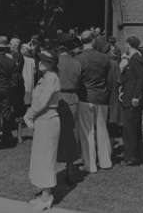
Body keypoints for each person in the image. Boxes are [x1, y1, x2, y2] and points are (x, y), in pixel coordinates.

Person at [24, 50, 61, 211]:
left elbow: (42, 102)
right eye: (39, 60)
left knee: (46, 158)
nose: (39, 63)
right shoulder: (45, 78)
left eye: (43, 61)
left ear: (51, 63)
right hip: (43, 120)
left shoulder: (51, 78)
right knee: (40, 157)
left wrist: (29, 115)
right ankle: (43, 192)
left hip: (48, 118)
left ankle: (47, 197)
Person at [75, 30, 112, 173]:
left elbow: (77, 80)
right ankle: (105, 161)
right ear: (93, 40)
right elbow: (109, 79)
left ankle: (90, 164)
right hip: (102, 96)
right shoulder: (104, 58)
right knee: (102, 130)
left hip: (85, 97)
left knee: (87, 132)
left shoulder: (78, 58)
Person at [56, 37, 81, 184]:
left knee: (56, 132)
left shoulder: (55, 62)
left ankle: (56, 163)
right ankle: (70, 165)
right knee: (71, 133)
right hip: (72, 97)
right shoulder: (76, 63)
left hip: (57, 97)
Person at [119, 36, 143, 166]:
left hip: (133, 99)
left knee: (130, 129)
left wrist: (136, 96)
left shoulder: (136, 59)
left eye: (126, 44)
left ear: (129, 44)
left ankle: (131, 157)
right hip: (129, 97)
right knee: (132, 128)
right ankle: (135, 154)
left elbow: (140, 79)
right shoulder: (134, 59)